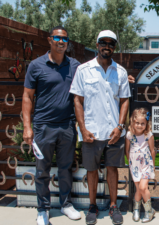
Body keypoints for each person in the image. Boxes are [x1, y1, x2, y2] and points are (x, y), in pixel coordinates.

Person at [70, 30, 131, 225]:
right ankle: (92, 206)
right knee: (92, 169)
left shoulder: (120, 72)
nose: (107, 46)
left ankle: (113, 206)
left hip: (114, 132)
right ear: (97, 45)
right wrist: (83, 128)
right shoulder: (83, 70)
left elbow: (124, 101)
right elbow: (77, 101)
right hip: (91, 132)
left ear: (114, 47)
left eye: (111, 43)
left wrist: (120, 126)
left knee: (112, 169)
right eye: (103, 43)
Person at [22, 26, 82, 225]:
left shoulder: (74, 65)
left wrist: (126, 78)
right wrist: (27, 127)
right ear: (49, 40)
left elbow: (94, 79)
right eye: (57, 37)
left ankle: (65, 205)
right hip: (43, 127)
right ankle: (43, 210)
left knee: (65, 168)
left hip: (66, 126)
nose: (61, 41)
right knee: (42, 171)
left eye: (64, 38)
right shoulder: (36, 65)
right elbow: (27, 96)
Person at [125, 108, 156, 223]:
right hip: (135, 165)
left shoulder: (148, 135)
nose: (139, 125)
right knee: (138, 189)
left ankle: (149, 211)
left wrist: (152, 165)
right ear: (133, 122)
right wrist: (130, 163)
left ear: (146, 124)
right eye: (137, 123)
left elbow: (152, 150)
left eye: (142, 123)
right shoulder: (129, 135)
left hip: (146, 164)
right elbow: (127, 151)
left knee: (143, 187)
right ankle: (136, 209)